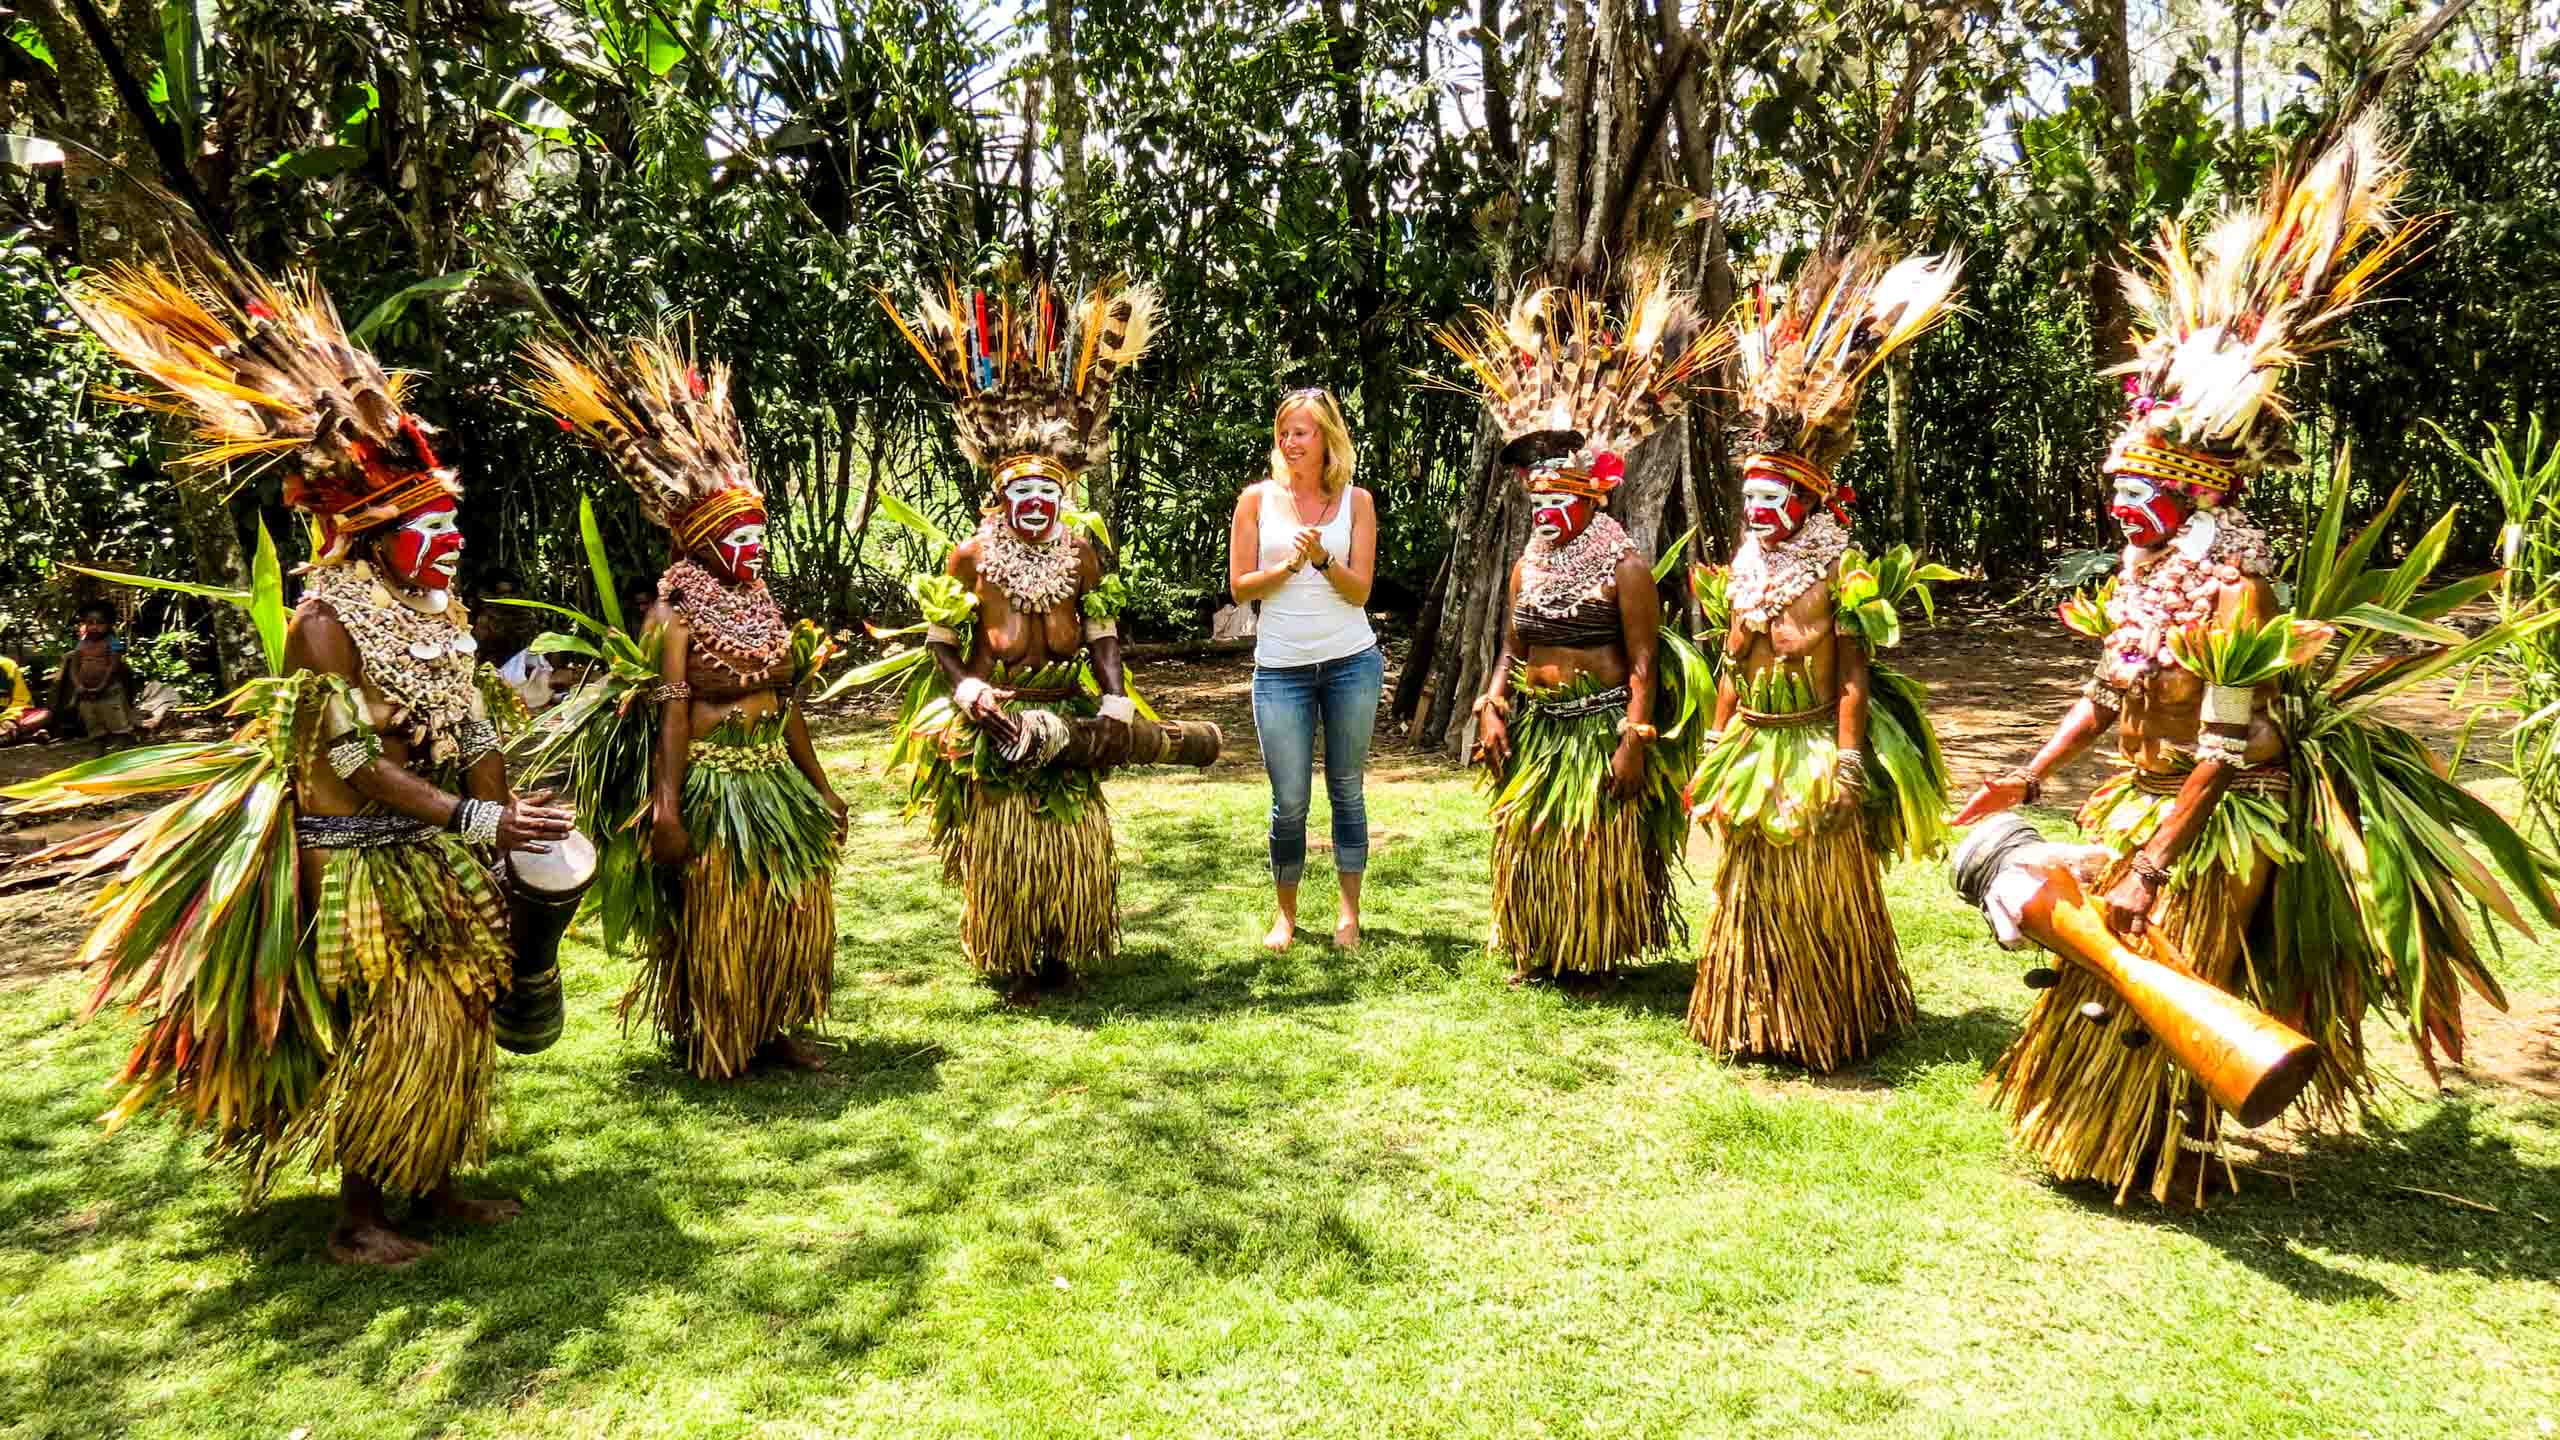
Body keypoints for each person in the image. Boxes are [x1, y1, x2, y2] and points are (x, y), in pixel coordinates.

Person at [1952, 118, 2555, 1203]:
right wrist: (2032, 776)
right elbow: (2107, 687)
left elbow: (2227, 742)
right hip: (2138, 797)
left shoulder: (2237, 588)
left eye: (2137, 494)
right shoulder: (2146, 573)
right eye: (2117, 492)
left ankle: (2153, 1145)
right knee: (2105, 969)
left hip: (2217, 809)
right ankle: (2101, 1137)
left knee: (2168, 970)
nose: (2117, 508)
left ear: (2198, 490)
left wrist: (2154, 856)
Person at [29, 257, 573, 1265]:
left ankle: (435, 1176)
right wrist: (482, 823)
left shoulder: (430, 611)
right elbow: (355, 761)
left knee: (451, 1004)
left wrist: (507, 813)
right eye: (432, 525)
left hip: (430, 841)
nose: (452, 538)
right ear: (373, 531)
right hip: (355, 850)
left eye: (452, 521)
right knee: (384, 1019)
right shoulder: (325, 622)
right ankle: (361, 1218)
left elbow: (471, 725)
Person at [522, 332, 846, 1078]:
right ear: (700, 542)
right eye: (737, 535)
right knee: (723, 910)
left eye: (759, 534)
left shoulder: (760, 603)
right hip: (715, 785)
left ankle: (777, 1025)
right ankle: (720, 1032)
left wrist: (821, 787)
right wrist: (666, 807)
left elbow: (785, 697)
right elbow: (670, 710)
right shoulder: (673, 613)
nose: (753, 549)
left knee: (787, 901)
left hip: (774, 781)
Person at [1685, 242, 1962, 1070]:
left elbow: (1851, 674)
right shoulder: (1744, 567)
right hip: (1755, 744)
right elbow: (1734, 662)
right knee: (1753, 880)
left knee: (1812, 881)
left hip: (1809, 742)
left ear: (1808, 499)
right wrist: (1716, 736)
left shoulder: (1840, 569)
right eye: (1752, 498)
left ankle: (1821, 1017)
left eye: (1776, 499)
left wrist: (1847, 760)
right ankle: (1752, 1011)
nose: (1761, 511)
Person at [867, 275, 1171, 998]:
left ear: (1064, 498)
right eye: (1021, 494)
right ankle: (1012, 958)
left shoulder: (1082, 554)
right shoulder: (971, 559)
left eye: (1048, 494)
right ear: (998, 497)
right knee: (1008, 845)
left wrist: (1117, 699)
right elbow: (943, 639)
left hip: (1067, 710)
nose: (1035, 505)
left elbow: (1101, 632)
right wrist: (965, 684)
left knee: (1067, 840)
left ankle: (1062, 949)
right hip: (999, 714)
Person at [1439, 262, 1726, 984]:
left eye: (1556, 498)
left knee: (1588, 838)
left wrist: (1634, 740)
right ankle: (1540, 943)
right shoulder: (1526, 564)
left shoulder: (1624, 567)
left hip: (1599, 725)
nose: (1542, 512)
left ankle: (1592, 951)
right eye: (1535, 500)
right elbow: (1511, 646)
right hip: (1538, 725)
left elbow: (1642, 663)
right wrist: (1492, 701)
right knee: (1532, 836)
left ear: (1592, 498)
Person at [1227, 387, 1381, 951]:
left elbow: (1360, 591)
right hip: (1280, 670)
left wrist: (1321, 560)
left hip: (1351, 663)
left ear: (1327, 439)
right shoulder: (1256, 501)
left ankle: (1348, 914)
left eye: (1302, 432)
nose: (1290, 443)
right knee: (1289, 799)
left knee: (1346, 788)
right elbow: (1241, 588)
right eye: (1284, 432)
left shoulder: (1356, 502)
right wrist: (1289, 567)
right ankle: (1285, 916)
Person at [51, 601, 139, 747]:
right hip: (86, 693)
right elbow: (74, 666)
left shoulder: (112, 643)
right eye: (90, 623)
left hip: (109, 692)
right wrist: (78, 685)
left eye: (100, 623)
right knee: (94, 723)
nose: (94, 627)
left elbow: (114, 666)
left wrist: (103, 685)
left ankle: (123, 746)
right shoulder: (82, 644)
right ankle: (99, 750)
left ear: (109, 624)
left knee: (116, 721)